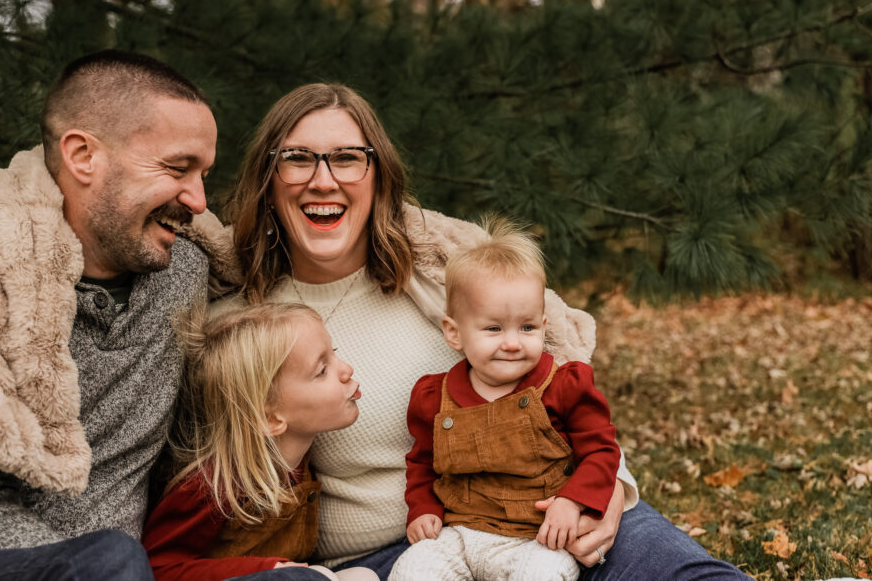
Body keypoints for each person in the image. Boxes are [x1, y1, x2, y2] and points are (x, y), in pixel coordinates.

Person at [220, 82, 753, 579]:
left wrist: (610, 492)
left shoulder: (437, 276)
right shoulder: (238, 323)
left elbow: (561, 393)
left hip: (547, 513)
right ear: (267, 179)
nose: (323, 178)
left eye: (346, 158)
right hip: (402, 554)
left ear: (377, 176)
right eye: (296, 158)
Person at [0, 50, 232, 580]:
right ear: (83, 156)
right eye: (177, 168)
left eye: (203, 173)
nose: (199, 199)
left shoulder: (184, 272)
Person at [389, 219, 621, 581]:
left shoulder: (563, 386)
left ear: (543, 326)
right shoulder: (435, 397)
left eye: (527, 327)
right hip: (459, 534)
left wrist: (572, 500)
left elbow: (602, 452)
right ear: (454, 332)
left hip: (537, 536)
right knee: (414, 569)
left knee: (543, 573)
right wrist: (422, 509)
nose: (513, 342)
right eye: (494, 328)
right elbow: (421, 462)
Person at [142, 302, 377, 581]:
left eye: (335, 354)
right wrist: (267, 571)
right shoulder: (213, 484)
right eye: (321, 370)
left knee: (363, 576)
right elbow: (158, 568)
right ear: (271, 419)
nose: (347, 369)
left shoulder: (298, 461)